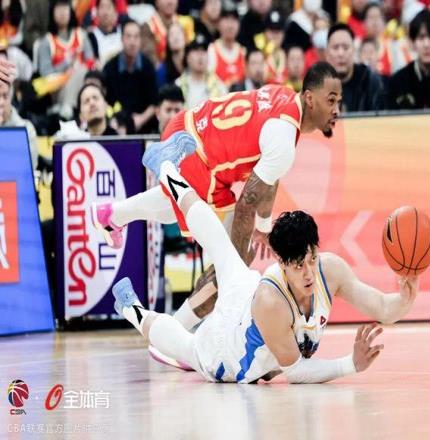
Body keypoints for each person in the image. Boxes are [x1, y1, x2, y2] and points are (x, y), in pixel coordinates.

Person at [111, 158, 419, 383]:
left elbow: (383, 308)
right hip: (226, 350)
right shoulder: (272, 304)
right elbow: (296, 372)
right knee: (188, 346)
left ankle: (167, 169)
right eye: (298, 265)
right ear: (282, 263)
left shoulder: (330, 270)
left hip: (246, 290)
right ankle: (130, 309)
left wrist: (407, 295)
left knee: (222, 249)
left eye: (312, 258)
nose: (309, 272)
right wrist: (349, 364)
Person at [92, 62, 342, 336]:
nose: (337, 110)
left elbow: (269, 177)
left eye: (339, 101)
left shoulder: (282, 96)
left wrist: (263, 227)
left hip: (187, 127)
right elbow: (247, 201)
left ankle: (112, 215)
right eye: (331, 100)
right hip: (198, 156)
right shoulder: (284, 138)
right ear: (310, 98)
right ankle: (174, 334)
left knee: (175, 205)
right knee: (231, 266)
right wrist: (239, 257)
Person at [103, 20, 158, 133]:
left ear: (140, 40)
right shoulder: (110, 68)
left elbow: (155, 102)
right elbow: (105, 101)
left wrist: (141, 119)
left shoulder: (148, 66)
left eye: (136, 37)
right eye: (128, 36)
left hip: (143, 125)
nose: (132, 42)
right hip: (116, 125)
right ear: (122, 39)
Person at [326, 23, 385, 112]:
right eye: (335, 48)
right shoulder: (317, 85)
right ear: (327, 54)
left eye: (346, 48)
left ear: (354, 51)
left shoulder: (370, 81)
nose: (341, 53)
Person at [175, 33, 227, 109]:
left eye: (204, 51)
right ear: (187, 57)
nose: (200, 55)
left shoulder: (219, 87)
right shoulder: (178, 86)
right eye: (196, 51)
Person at [0, 79, 38, 170]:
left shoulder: (26, 129)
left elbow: (30, 168)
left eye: (5, 96)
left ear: (11, 97)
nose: (1, 102)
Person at [207, 5, 246, 88]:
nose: (230, 26)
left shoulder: (243, 52)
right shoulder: (211, 50)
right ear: (218, 24)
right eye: (226, 19)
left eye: (234, 20)